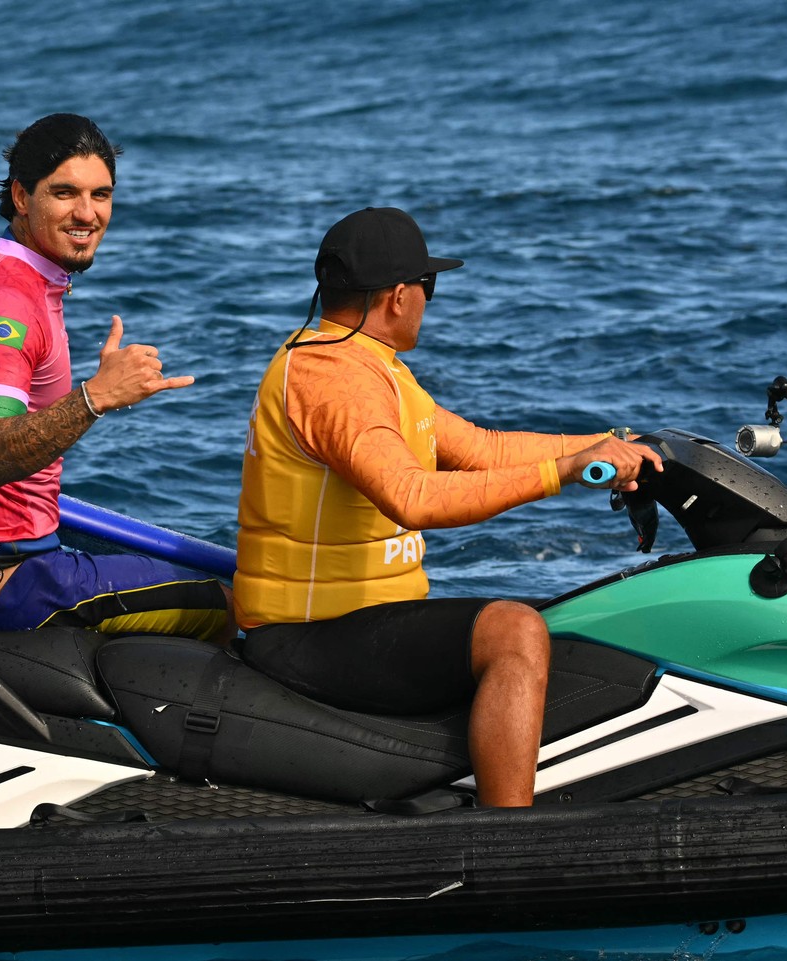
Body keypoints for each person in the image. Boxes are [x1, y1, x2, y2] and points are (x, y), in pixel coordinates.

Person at [233, 207, 663, 807]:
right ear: (401, 296)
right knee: (515, 631)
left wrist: (613, 447)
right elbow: (411, 496)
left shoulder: (367, 365)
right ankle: (504, 844)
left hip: (358, 621)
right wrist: (559, 473)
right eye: (429, 287)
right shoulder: (334, 379)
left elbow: (481, 448)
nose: (429, 301)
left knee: (569, 618)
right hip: (311, 635)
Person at [0, 113, 231, 642]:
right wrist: (97, 397)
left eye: (101, 194)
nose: (87, 213)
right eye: (65, 193)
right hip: (1, 589)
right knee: (230, 601)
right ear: (22, 197)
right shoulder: (7, 301)